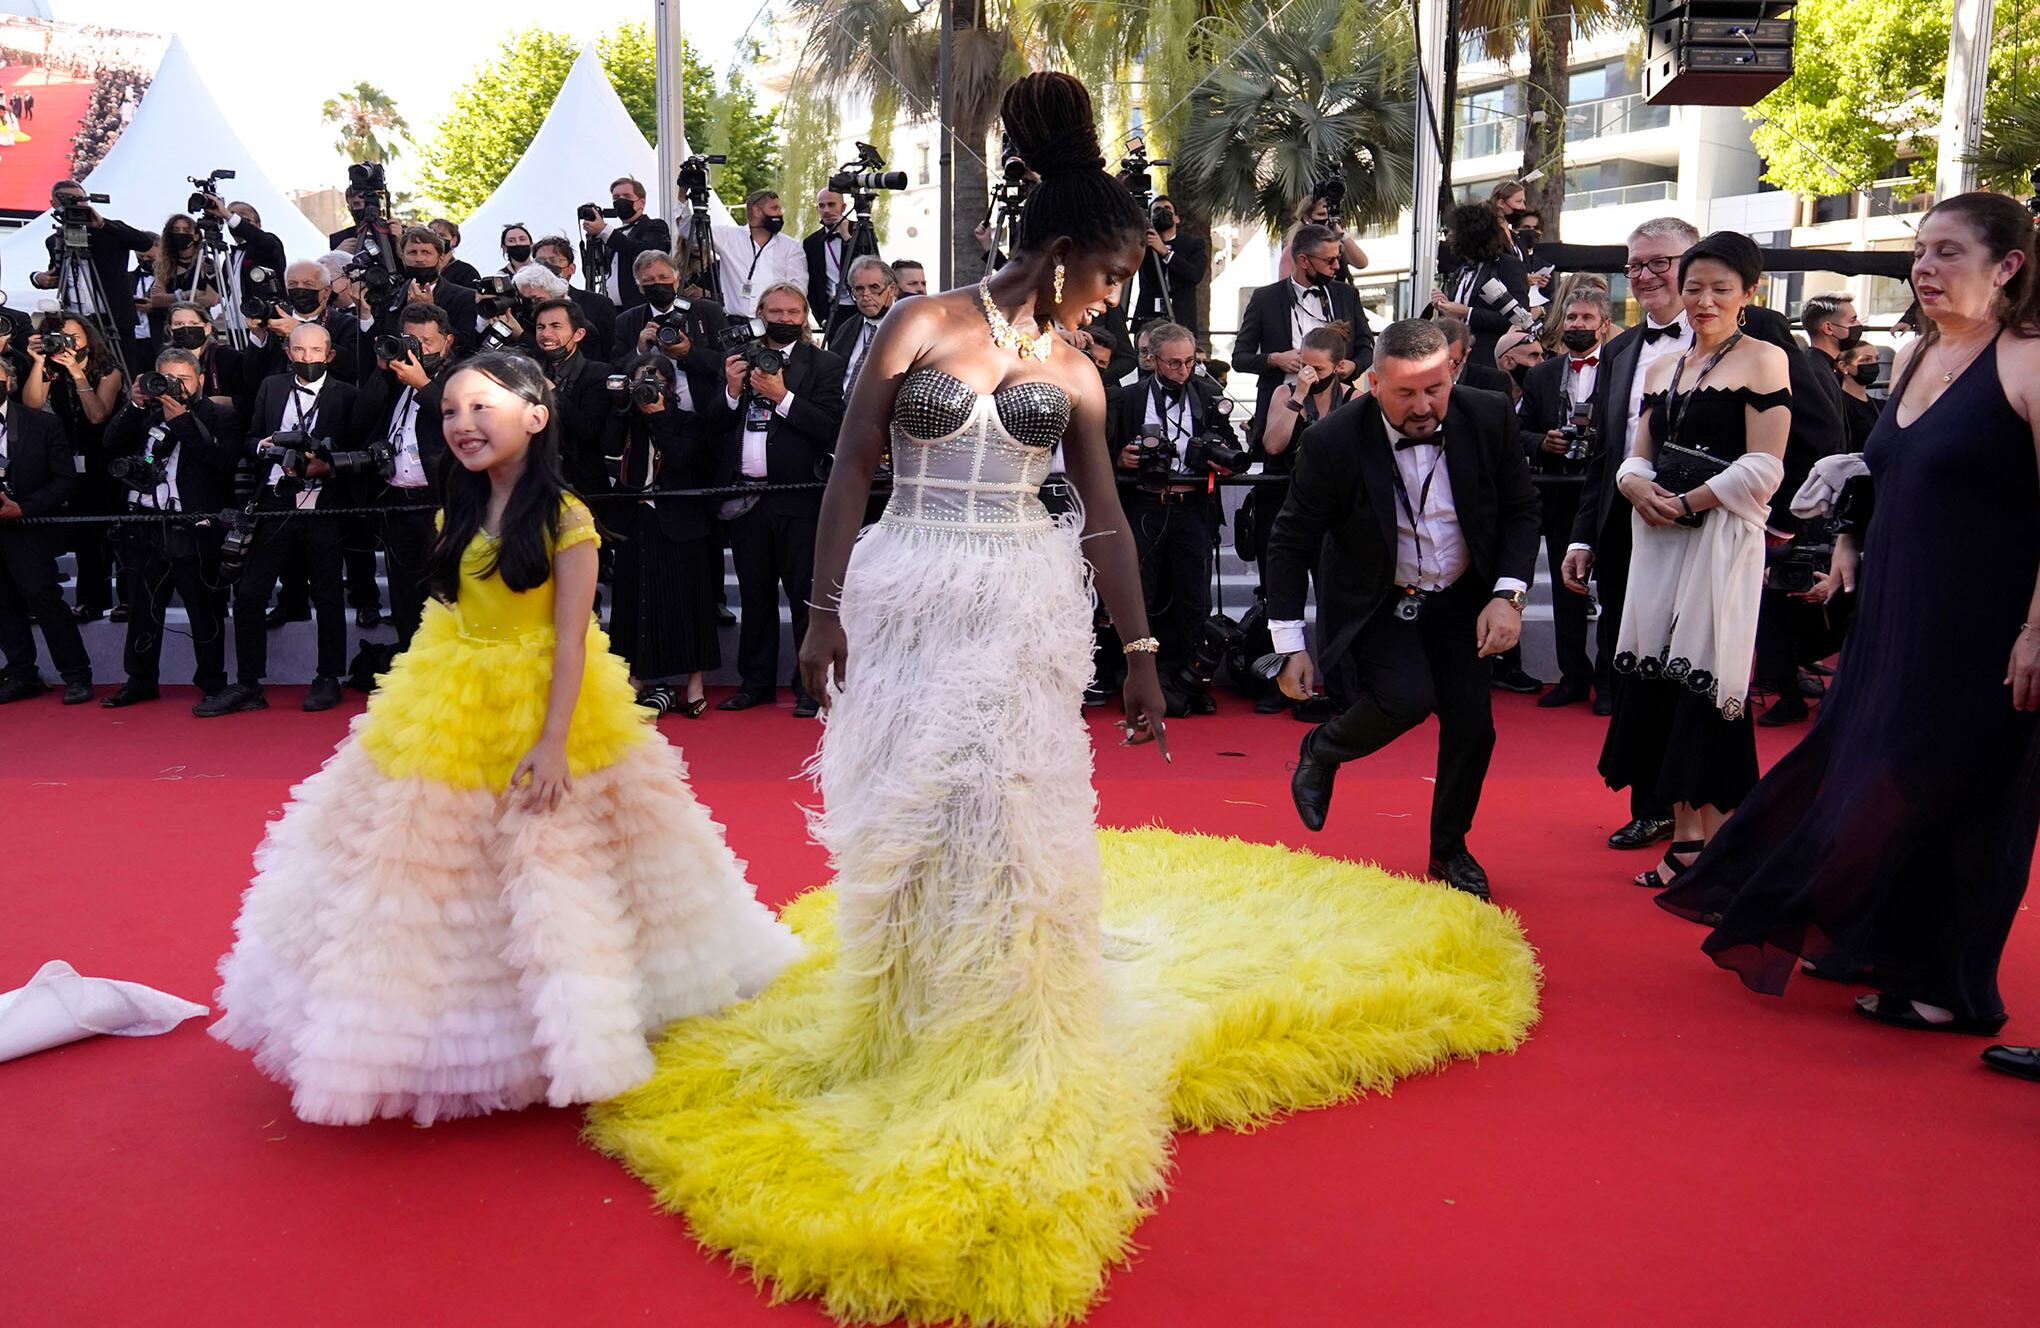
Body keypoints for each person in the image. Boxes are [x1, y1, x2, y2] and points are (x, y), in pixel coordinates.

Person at [588, 72, 1538, 1328]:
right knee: (908, 805)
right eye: (1114, 272)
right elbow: (853, 465)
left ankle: (1002, 1009)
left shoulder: (1082, 373)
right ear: (1071, 248)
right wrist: (820, 611)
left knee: (1005, 800)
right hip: (910, 581)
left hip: (1025, 602)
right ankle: (912, 1005)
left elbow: (1099, 516)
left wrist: (1142, 649)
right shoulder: (919, 321)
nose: (1119, 293)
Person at [209, 350, 800, 1125]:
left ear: (536, 415)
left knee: (557, 867)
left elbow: (572, 642)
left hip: (553, 707)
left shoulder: (567, 518)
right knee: (427, 865)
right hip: (448, 697)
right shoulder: (453, 511)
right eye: (450, 410)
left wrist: (553, 741)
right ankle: (453, 1024)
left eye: (481, 407)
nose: (461, 424)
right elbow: (453, 611)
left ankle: (589, 1013)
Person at [1657, 192, 2040, 1040]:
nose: (1925, 268)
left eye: (1947, 252)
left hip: (1988, 627)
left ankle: (1952, 982)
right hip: (1898, 613)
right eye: (1921, 251)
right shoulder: (1920, 356)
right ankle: (1876, 939)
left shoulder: (2028, 360)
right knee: (1870, 775)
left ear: (2007, 267)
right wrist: (1850, 536)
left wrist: (2036, 630)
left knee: (1972, 803)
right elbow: (1890, 469)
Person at [1273, 318, 1541, 899]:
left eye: (1434, 389)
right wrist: (1288, 645)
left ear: (1453, 373)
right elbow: (1290, 541)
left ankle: (1449, 852)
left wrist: (1509, 594)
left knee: (1474, 728)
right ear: (1372, 383)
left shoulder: (1489, 415)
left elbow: (1522, 508)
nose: (1424, 407)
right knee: (1406, 697)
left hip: (1466, 597)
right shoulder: (1332, 440)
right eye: (1405, 393)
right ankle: (1323, 749)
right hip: (1380, 598)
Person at [1598, 231, 1790, 892]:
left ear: (1749, 294)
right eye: (1694, 287)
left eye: (1720, 289)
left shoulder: (1765, 360)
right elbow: (1636, 452)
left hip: (1721, 543)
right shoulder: (1661, 368)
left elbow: (1767, 465)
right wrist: (1634, 485)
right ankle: (1685, 837)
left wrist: (1690, 502)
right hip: (1658, 542)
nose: (1704, 300)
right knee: (1658, 683)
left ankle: (1725, 844)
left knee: (1707, 684)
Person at [1563, 217, 1697, 850]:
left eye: (1658, 262)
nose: (1643, 275)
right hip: (1622, 534)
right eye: (1634, 264)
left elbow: (1808, 431)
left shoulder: (1754, 340)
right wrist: (1582, 538)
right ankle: (1654, 804)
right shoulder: (1619, 349)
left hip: (1705, 538)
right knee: (1637, 671)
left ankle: (1709, 808)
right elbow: (1604, 456)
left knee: (1698, 669)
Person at [204, 324, 362, 717]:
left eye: (315, 350)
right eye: (300, 351)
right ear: (288, 352)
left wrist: (323, 465)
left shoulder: (348, 395)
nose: (307, 358)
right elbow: (249, 435)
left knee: (327, 594)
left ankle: (328, 677)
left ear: (330, 354)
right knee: (251, 594)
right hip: (274, 501)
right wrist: (264, 446)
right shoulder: (271, 387)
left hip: (325, 506)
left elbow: (356, 452)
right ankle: (247, 683)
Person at [708, 282, 845, 716]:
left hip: (799, 499)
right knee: (754, 594)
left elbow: (829, 426)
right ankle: (755, 683)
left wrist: (780, 397)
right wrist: (732, 391)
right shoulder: (737, 360)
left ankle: (809, 688)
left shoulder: (824, 363)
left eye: (793, 312)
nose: (784, 319)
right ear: (760, 312)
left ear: (804, 317)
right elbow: (711, 427)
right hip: (747, 500)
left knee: (804, 595)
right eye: (776, 311)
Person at [1110, 320, 1244, 713]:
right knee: (1141, 596)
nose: (1182, 370)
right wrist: (1122, 458)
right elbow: (1103, 451)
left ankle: (1193, 682)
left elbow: (1233, 450)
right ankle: (1139, 681)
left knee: (1194, 598)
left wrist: (1221, 462)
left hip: (1193, 508)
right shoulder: (1128, 398)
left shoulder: (1207, 396)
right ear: (1152, 360)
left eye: (1189, 362)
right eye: (1173, 363)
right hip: (1146, 504)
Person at [98, 348, 243, 711]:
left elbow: (220, 461)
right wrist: (133, 404)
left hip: (195, 529)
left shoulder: (220, 416)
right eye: (167, 379)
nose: (175, 387)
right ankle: (140, 679)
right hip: (145, 526)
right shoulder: (143, 413)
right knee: (144, 609)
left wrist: (181, 420)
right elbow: (110, 445)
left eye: (184, 380)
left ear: (201, 382)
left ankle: (212, 682)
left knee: (205, 610)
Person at [604, 351, 726, 718]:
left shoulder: (688, 422)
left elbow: (682, 459)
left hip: (680, 523)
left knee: (690, 603)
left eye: (654, 382)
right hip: (634, 520)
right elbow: (606, 450)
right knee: (633, 602)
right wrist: (621, 406)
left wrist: (659, 419)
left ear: (670, 387)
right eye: (641, 381)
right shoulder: (626, 423)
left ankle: (694, 683)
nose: (647, 389)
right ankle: (636, 677)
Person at [1517, 287, 1615, 708]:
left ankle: (1610, 682)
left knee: (1612, 589)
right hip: (1559, 494)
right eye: (1571, 318)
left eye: (1585, 319)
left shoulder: (1622, 369)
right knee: (1565, 588)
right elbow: (1516, 431)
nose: (1577, 325)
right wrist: (1544, 442)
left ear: (1604, 325)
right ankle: (1573, 675)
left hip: (1610, 493)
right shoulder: (1542, 374)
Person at [357, 302, 460, 649]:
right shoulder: (395, 380)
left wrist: (423, 385)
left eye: (426, 342)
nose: (417, 349)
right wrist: (382, 370)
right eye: (409, 340)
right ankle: (410, 672)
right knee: (403, 597)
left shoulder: (460, 378)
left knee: (444, 597)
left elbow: (458, 422)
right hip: (397, 504)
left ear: (447, 341)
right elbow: (362, 417)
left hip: (440, 506)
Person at [0, 353, 96, 704]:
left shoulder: (42, 425)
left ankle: (76, 675)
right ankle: (21, 672)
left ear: (9, 382)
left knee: (45, 602)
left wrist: (23, 508)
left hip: (28, 529)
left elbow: (65, 480)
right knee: (3, 606)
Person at [20, 314, 126, 623]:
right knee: (81, 537)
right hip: (65, 461)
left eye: (74, 337)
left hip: (103, 460)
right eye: (61, 337)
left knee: (104, 534)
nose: (68, 344)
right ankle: (84, 602)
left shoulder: (108, 371)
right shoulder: (51, 369)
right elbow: (32, 407)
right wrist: (39, 362)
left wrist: (78, 373)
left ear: (88, 338)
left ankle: (111, 601)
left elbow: (97, 415)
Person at [27, 181, 153, 367]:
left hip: (113, 319)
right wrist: (37, 277)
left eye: (78, 200)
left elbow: (144, 242)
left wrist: (101, 224)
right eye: (66, 200)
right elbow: (59, 275)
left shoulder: (109, 232)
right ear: (54, 204)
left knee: (120, 372)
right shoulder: (54, 240)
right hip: (76, 321)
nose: (73, 205)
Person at [1430, 202, 1531, 369]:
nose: (1448, 237)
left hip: (1489, 361)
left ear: (1469, 234)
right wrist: (1444, 306)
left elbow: (1521, 319)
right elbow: (1457, 312)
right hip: (1456, 362)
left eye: (1452, 231)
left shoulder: (1507, 266)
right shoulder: (1460, 271)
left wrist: (1467, 312)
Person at [532, 298, 612, 497]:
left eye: (555, 326)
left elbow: (589, 430)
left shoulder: (598, 373)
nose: (546, 334)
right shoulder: (531, 372)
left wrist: (551, 393)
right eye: (540, 327)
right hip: (536, 483)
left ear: (579, 334)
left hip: (584, 488)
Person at [698, 188, 808, 319]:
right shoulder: (729, 237)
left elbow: (798, 290)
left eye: (779, 209)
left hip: (772, 325)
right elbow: (692, 233)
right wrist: (684, 198)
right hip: (733, 323)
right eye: (774, 208)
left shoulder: (791, 247)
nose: (779, 214)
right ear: (756, 210)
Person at [582, 177, 672, 309]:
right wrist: (593, 242)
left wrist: (605, 231)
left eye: (627, 196)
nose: (620, 201)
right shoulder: (612, 235)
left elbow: (643, 252)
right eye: (616, 198)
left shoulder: (655, 226)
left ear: (641, 202)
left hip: (639, 307)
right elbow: (596, 272)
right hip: (611, 308)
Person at [1130, 195, 1206, 336]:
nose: (1162, 212)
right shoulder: (1142, 244)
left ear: (1177, 218)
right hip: (1148, 317)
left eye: (1167, 208)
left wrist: (1165, 252)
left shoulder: (1193, 244)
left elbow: (1194, 275)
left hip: (1181, 318)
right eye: (1157, 210)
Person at [533, 234, 616, 362]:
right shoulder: (526, 302)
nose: (547, 267)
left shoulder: (598, 304)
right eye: (540, 262)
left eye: (554, 261)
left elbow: (610, 351)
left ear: (571, 268)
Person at [146, 213, 221, 344]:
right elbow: (156, 300)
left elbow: (211, 299)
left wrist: (170, 300)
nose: (181, 234)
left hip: (202, 327)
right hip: (174, 330)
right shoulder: (165, 266)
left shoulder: (206, 264)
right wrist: (187, 295)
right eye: (176, 230)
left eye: (186, 231)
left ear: (196, 236)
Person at [825, 255, 896, 389]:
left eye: (874, 287)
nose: (866, 296)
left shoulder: (907, 326)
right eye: (859, 289)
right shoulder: (845, 329)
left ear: (891, 289)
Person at [803, 187, 862, 337]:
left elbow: (870, 266)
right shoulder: (811, 242)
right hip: (832, 312)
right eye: (822, 206)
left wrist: (847, 237)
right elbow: (811, 285)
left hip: (861, 307)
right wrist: (822, 318)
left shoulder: (861, 230)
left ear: (843, 207)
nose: (826, 210)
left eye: (831, 204)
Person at [1837, 340, 1883, 448]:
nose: (1873, 364)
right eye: (1866, 360)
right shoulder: (1838, 405)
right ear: (1843, 366)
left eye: (1876, 359)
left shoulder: (1881, 405)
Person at [429, 219, 484, 289]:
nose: (436, 239)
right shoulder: (421, 269)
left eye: (442, 235)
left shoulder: (466, 272)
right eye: (432, 235)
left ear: (454, 240)